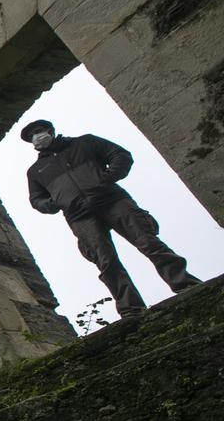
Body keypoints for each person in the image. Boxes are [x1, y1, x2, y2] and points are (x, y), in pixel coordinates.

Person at [22, 119, 201, 318]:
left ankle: (185, 284)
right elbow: (37, 200)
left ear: (50, 130)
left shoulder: (85, 143)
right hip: (78, 216)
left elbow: (120, 155)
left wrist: (106, 179)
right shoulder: (36, 171)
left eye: (37, 132)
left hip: (113, 200)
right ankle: (131, 310)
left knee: (148, 242)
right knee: (106, 263)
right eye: (31, 137)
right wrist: (58, 202)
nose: (35, 137)